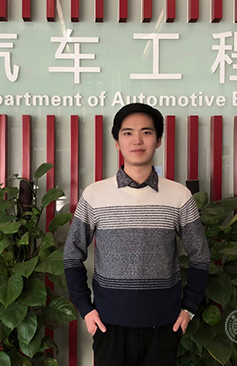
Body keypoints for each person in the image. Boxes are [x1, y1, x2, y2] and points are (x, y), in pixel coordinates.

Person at [63, 103, 210, 366]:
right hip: (109, 326)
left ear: (158, 140)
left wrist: (189, 309)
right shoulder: (95, 194)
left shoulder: (179, 195)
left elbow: (200, 255)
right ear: (117, 142)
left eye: (146, 132)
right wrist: (85, 309)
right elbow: (72, 254)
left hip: (164, 327)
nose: (137, 140)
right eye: (128, 133)